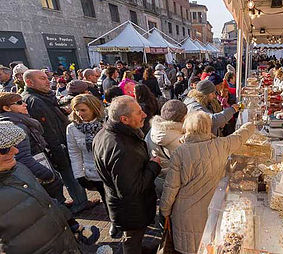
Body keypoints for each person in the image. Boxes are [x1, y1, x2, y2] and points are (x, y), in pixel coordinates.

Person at [160, 112, 255, 254]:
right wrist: (251, 123)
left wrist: (164, 211)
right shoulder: (221, 145)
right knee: (209, 248)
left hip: (185, 214)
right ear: (207, 127)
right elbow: (240, 136)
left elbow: (171, 188)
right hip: (212, 209)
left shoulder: (180, 152)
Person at [0, 122, 100, 254]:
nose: (15, 151)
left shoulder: (19, 168)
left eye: (14, 145)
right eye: (4, 149)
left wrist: (73, 225)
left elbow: (47, 202)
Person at [93, 95, 161, 254]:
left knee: (133, 237)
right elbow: (131, 190)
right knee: (132, 238)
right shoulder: (123, 149)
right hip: (130, 209)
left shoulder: (105, 133)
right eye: (138, 113)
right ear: (124, 119)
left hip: (122, 205)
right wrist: (153, 166)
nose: (144, 115)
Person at [22, 70, 95, 214]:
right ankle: (81, 202)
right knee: (69, 173)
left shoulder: (42, 97)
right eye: (42, 78)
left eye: (47, 78)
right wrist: (58, 150)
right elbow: (48, 130)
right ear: (29, 82)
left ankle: (79, 200)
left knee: (69, 173)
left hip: (60, 143)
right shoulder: (35, 101)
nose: (48, 81)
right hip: (58, 146)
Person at [0, 92, 66, 203]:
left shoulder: (18, 121)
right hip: (38, 172)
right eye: (19, 103)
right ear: (6, 108)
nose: (25, 104)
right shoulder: (17, 126)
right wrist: (48, 174)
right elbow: (23, 157)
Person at [145, 99, 187, 198]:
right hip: (175, 183)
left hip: (158, 178)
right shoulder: (179, 140)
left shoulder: (153, 130)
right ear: (182, 117)